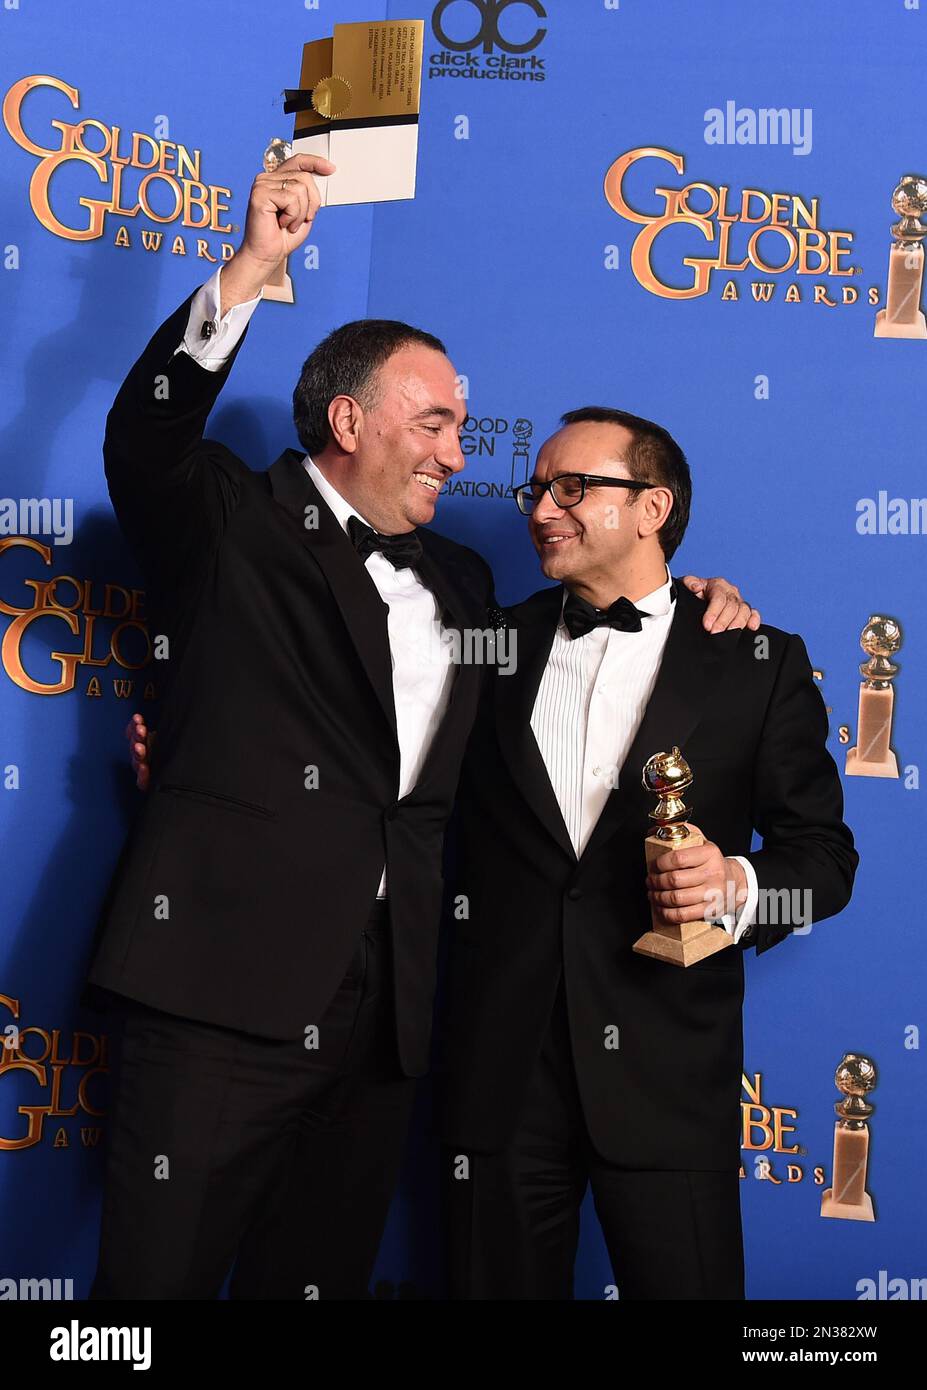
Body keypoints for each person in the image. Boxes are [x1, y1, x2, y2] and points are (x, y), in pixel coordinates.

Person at [96, 154, 756, 1300]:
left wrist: (695, 608)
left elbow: (574, 683)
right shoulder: (231, 518)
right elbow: (143, 443)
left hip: (390, 1024)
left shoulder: (458, 582)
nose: (462, 452)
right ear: (350, 419)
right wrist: (253, 267)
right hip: (220, 995)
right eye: (438, 422)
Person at [441, 407, 858, 1300]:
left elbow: (824, 868)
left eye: (572, 487)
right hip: (499, 1078)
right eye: (536, 489)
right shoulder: (486, 646)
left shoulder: (756, 660)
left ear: (651, 507)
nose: (541, 508)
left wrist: (732, 886)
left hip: (668, 1078)